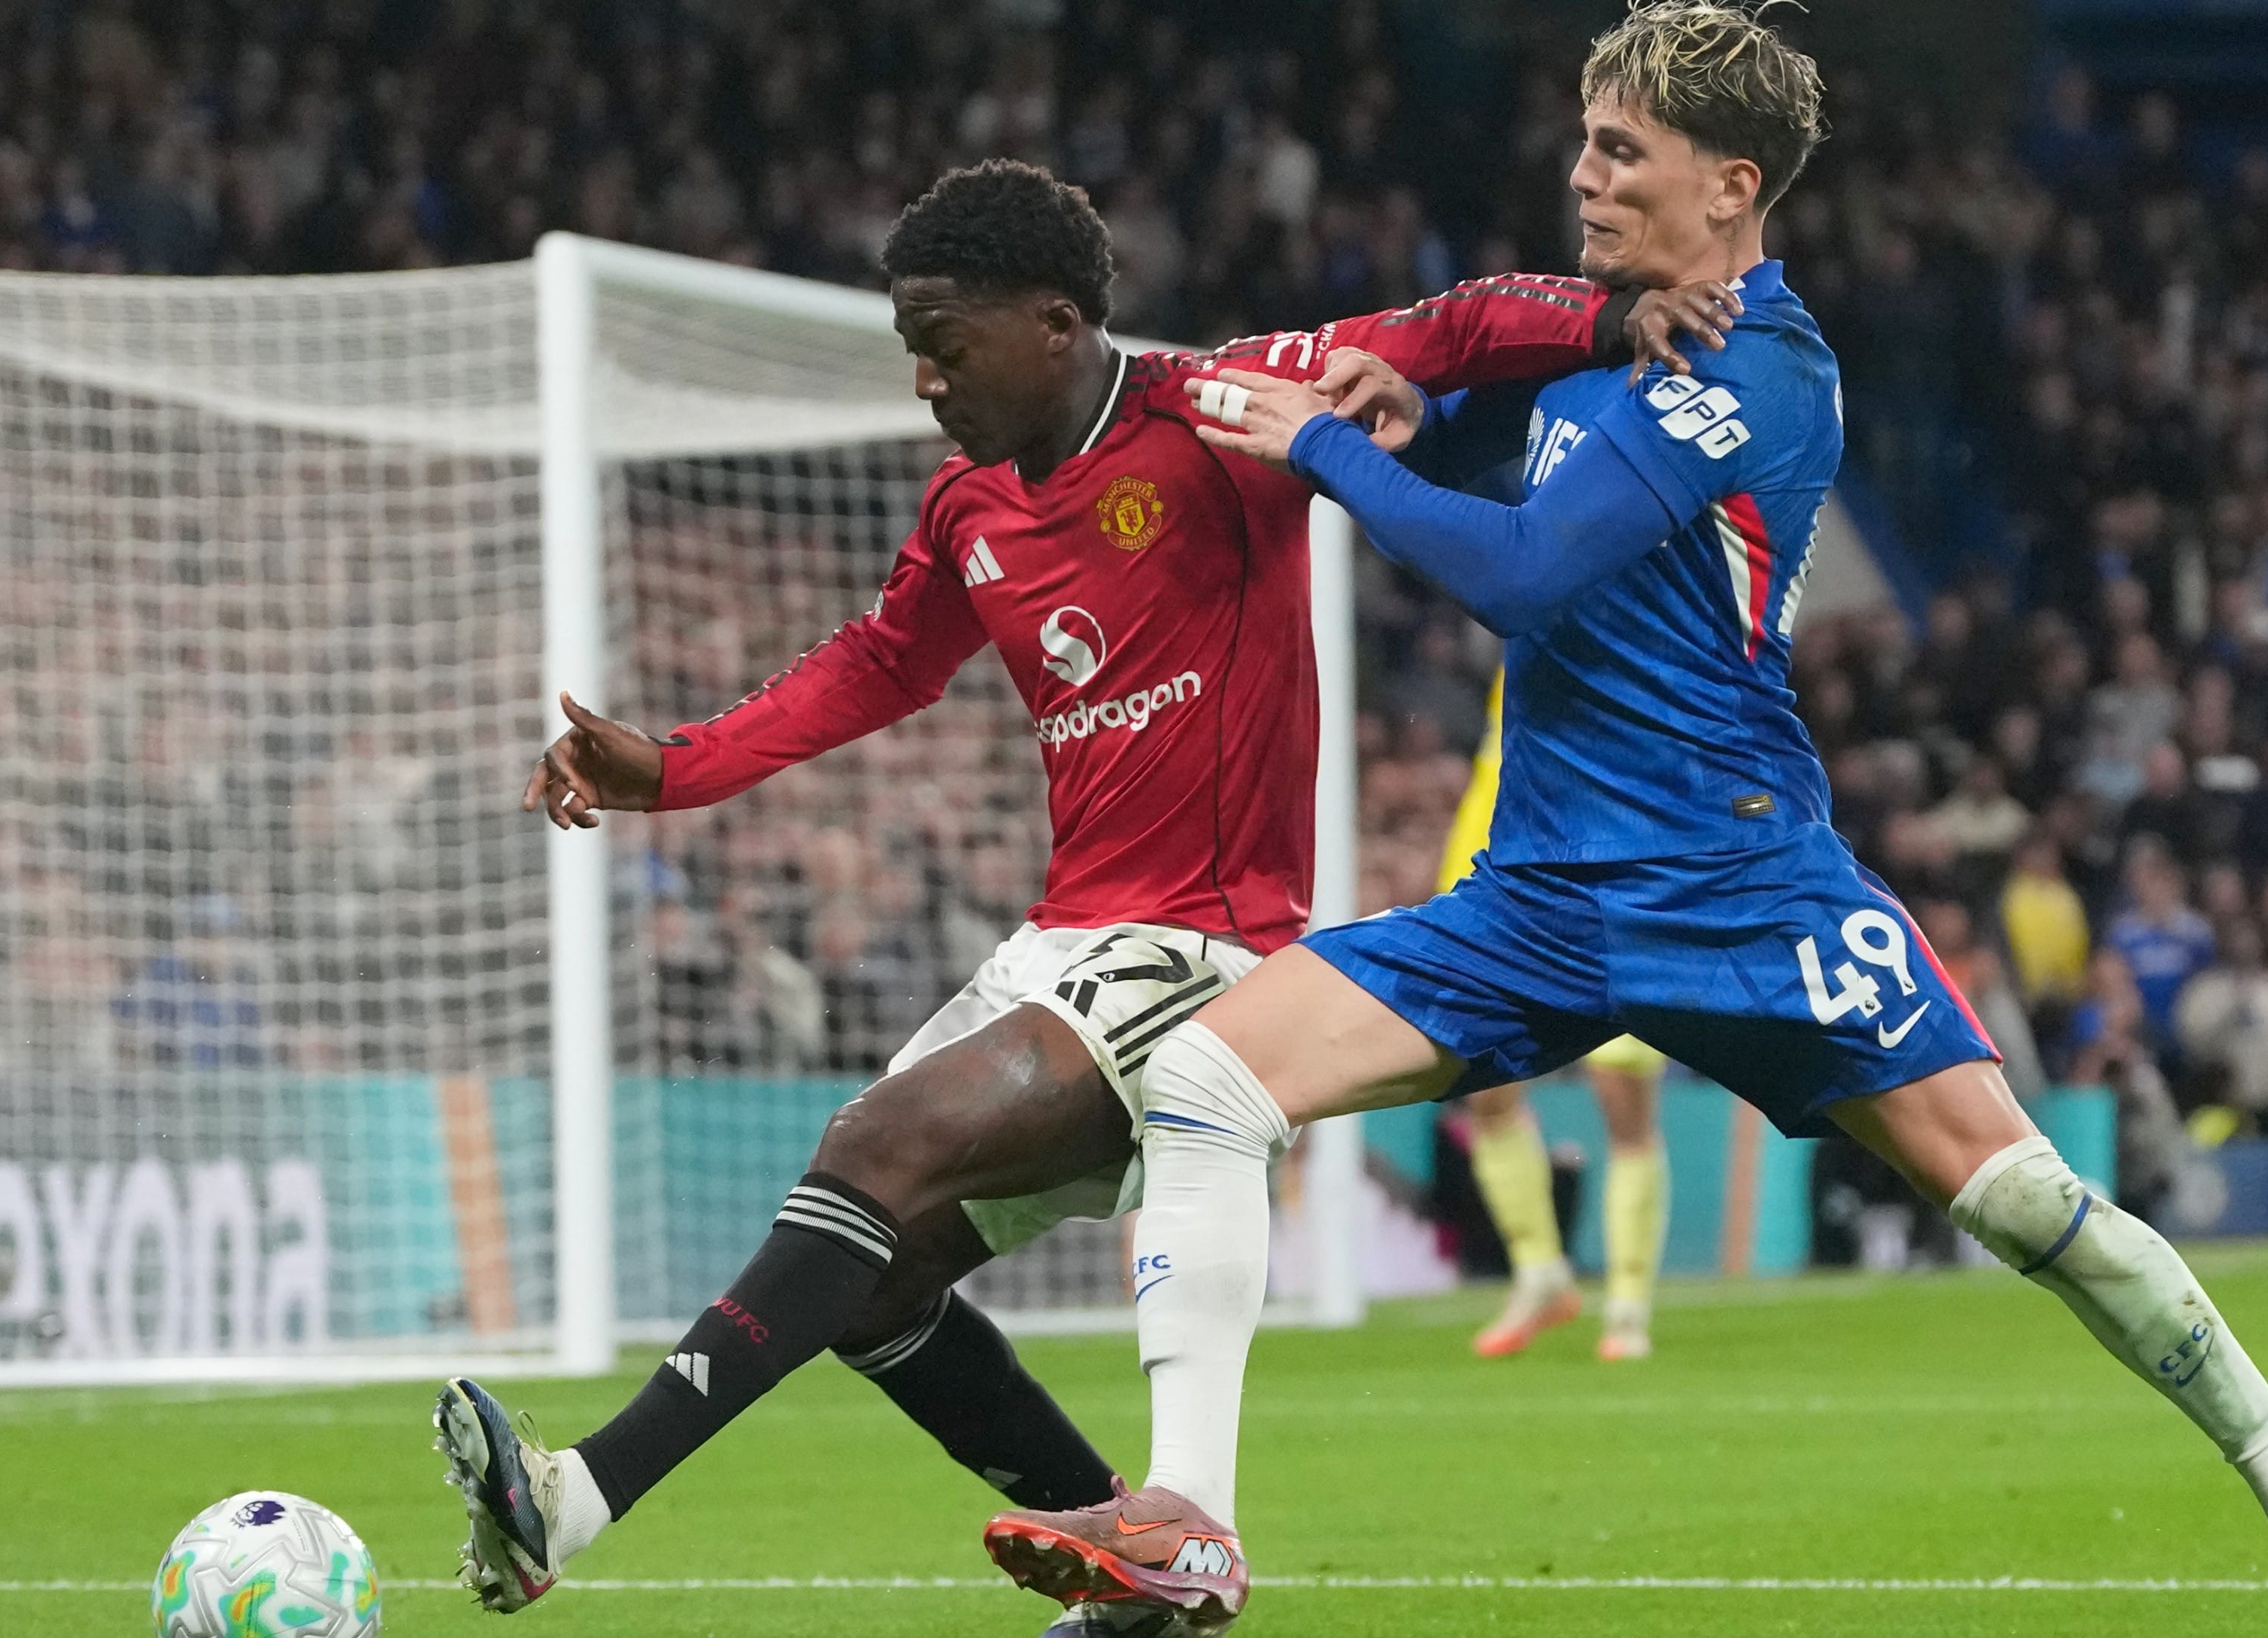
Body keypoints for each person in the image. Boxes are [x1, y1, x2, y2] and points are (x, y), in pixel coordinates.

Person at [984, 8, 2268, 1636]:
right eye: (1585, 141)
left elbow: (1529, 571)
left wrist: (1329, 447)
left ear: (1730, 183)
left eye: (1623, 151)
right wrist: (1420, 419)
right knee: (1207, 1077)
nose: (1583, 175)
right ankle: (1186, 1524)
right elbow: (1503, 448)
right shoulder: (1609, 340)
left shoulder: (1771, 371)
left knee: (2035, 1209)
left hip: (1742, 888)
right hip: (1538, 898)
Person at [432, 158, 1738, 1623]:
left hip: (1206, 946)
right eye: (909, 346)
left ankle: (572, 1500)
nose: (924, 376)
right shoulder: (966, 504)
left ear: (1054, 322)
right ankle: (1147, 1586)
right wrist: (675, 771)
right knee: (873, 1284)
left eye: (944, 338)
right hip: (1064, 939)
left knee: (877, 1144)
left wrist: (1625, 313)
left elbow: (1452, 326)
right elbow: (882, 663)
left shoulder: (1219, 407)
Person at [1444, 672, 1669, 1363]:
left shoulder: (1643, 640)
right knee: (1485, 1090)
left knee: (1621, 1099)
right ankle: (1540, 1273)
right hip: (1495, 867)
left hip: (1613, 861)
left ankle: (1628, 1306)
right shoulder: (1521, 607)